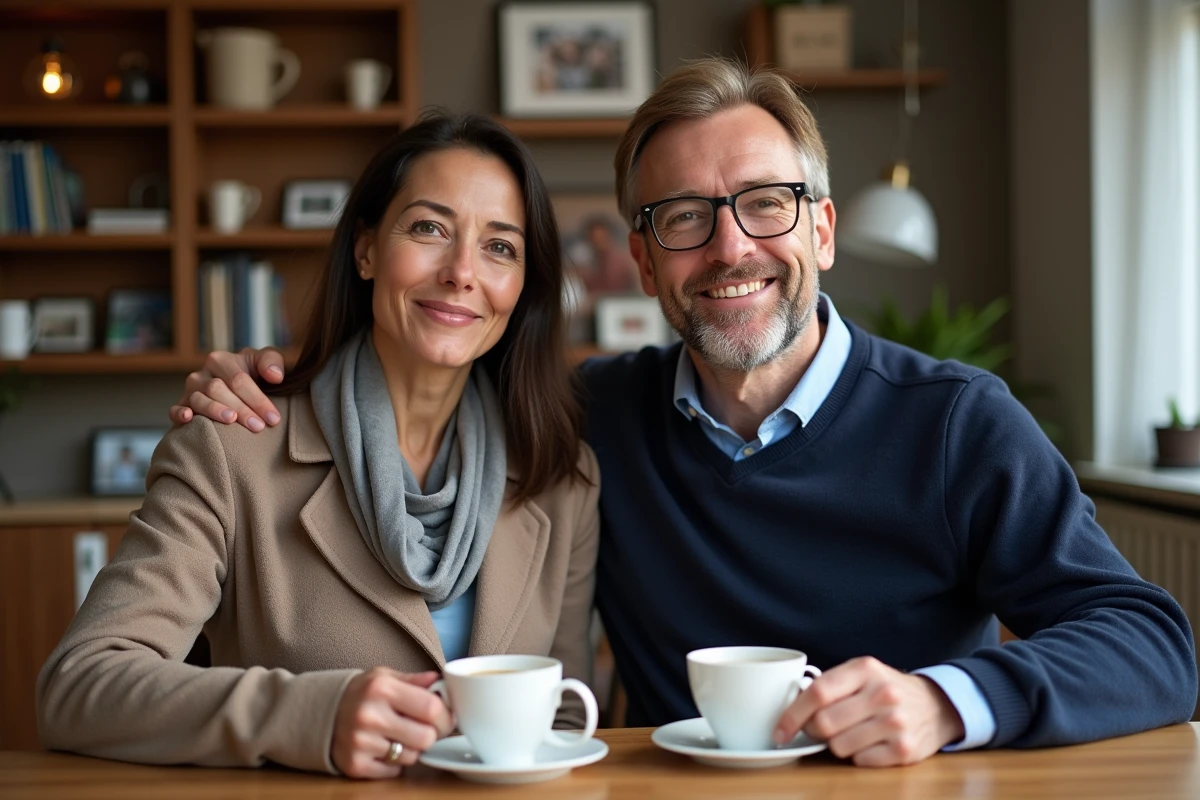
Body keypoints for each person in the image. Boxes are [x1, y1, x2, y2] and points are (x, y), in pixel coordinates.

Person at [166, 58, 1198, 767]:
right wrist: (270, 377)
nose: (732, 247)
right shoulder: (583, 422)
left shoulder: (954, 422)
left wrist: (945, 700)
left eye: (765, 203)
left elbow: (1152, 641)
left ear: (823, 228)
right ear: (647, 261)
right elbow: (427, 347)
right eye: (683, 220)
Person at [37, 113, 600, 779]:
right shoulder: (232, 445)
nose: (461, 272)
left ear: (523, 288)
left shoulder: (561, 478)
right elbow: (77, 687)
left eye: (500, 248)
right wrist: (306, 716)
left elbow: (563, 721)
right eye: (429, 228)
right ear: (365, 250)